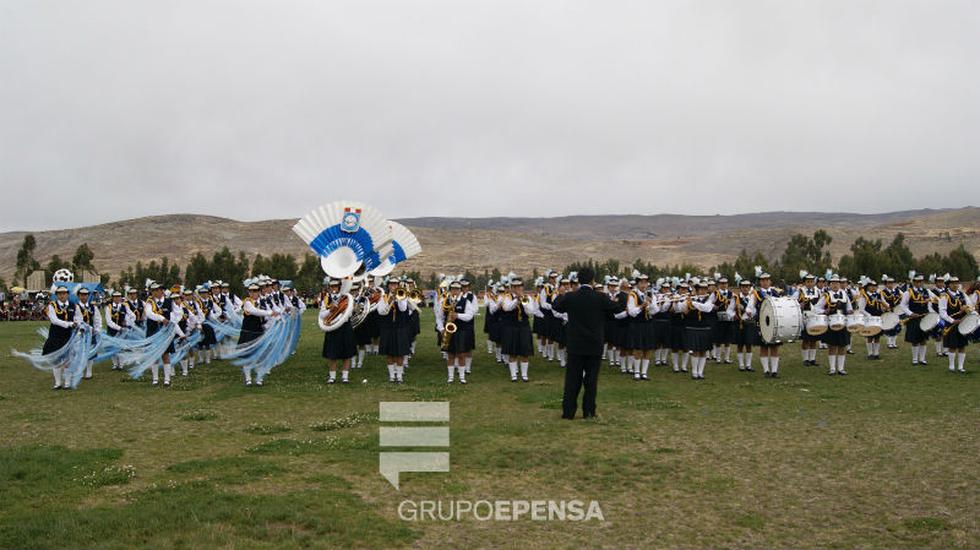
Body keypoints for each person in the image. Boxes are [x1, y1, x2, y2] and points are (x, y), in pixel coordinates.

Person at [552, 268, 623, 419]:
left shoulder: (571, 297)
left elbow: (556, 306)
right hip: (594, 344)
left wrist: (560, 294)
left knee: (572, 380)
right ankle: (589, 411)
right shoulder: (601, 297)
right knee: (591, 381)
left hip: (575, 345)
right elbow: (616, 309)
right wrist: (620, 297)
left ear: (578, 280)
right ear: (593, 280)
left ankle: (568, 412)